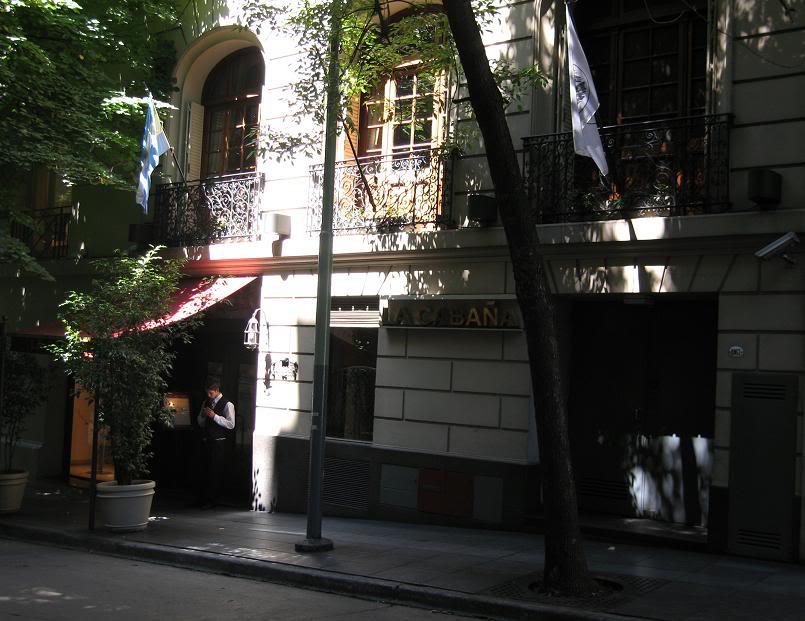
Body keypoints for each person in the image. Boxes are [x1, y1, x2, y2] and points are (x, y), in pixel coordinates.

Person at [196, 380, 235, 509]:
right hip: (206, 440)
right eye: (207, 393)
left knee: (214, 471)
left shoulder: (227, 404)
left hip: (218, 442)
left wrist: (214, 416)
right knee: (204, 469)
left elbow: (231, 424)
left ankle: (211, 499)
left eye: (211, 393)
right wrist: (203, 416)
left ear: (217, 390)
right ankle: (202, 498)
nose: (208, 395)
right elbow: (200, 422)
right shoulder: (206, 402)